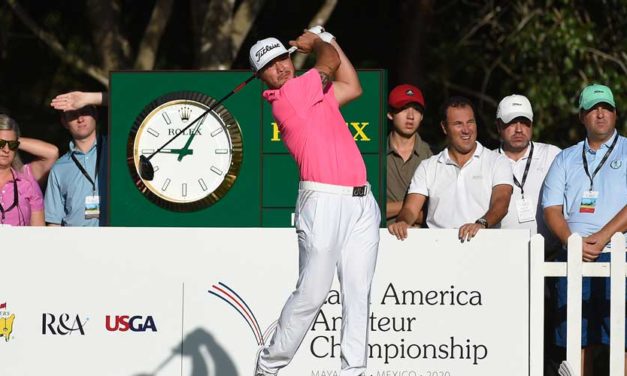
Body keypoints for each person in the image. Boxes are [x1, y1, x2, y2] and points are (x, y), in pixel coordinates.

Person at [250, 28, 380, 376]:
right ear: (262, 78)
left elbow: (352, 85)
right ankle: (268, 365)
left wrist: (329, 37)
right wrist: (318, 43)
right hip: (322, 201)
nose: (279, 68)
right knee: (312, 294)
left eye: (282, 59)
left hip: (362, 201)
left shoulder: (313, 94)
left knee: (357, 292)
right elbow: (330, 61)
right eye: (270, 66)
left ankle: (353, 370)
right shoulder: (289, 95)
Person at [542, 84, 626, 375]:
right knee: (576, 338)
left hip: (619, 255)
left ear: (615, 114)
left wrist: (602, 238)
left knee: (622, 339)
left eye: (606, 108)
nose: (600, 114)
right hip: (574, 258)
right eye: (592, 109)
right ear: (581, 116)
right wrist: (572, 243)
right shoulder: (565, 157)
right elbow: (551, 208)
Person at [388, 96, 513, 242]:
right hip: (438, 247)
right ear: (444, 127)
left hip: (484, 245)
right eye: (458, 124)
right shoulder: (428, 166)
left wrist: (482, 223)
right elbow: (410, 208)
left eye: (470, 122)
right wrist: (404, 221)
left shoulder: (497, 161)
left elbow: (501, 202)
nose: (466, 130)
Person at [494, 94, 561, 251]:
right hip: (503, 255)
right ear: (498, 126)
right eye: (511, 123)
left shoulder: (553, 155)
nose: (519, 129)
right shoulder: (488, 160)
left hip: (550, 257)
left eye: (524, 123)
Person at [45, 91, 107, 226]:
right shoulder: (58, 168)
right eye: (73, 115)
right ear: (64, 122)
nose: (80, 119)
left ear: (95, 114)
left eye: (85, 112)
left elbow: (130, 102)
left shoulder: (113, 150)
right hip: (73, 243)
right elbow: (54, 223)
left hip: (114, 240)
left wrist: (90, 98)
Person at [386, 83, 432, 225]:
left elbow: (437, 212)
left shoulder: (432, 157)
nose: (411, 116)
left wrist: (390, 209)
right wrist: (411, 207)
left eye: (417, 110)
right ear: (390, 114)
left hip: (423, 239)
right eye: (404, 108)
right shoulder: (375, 154)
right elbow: (365, 208)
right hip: (381, 236)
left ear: (422, 116)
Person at [0, 114, 54, 226]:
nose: (6, 150)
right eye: (1, 144)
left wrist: (14, 138)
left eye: (12, 145)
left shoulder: (27, 182)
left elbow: (38, 235)